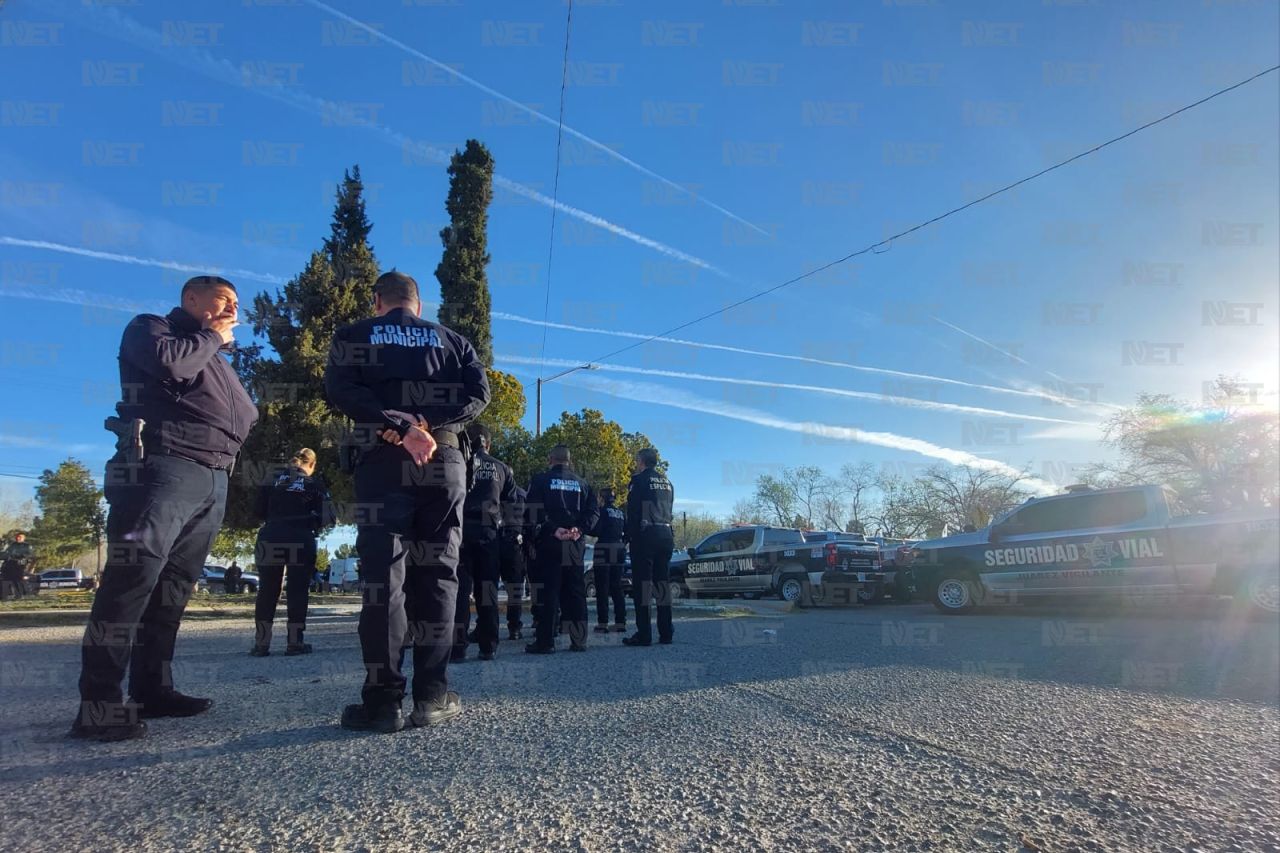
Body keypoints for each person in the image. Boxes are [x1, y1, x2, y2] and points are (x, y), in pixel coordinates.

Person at [73, 275, 258, 742]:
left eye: (237, 302)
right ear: (191, 299)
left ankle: (153, 688)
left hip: (212, 477)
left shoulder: (212, 353)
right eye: (224, 299)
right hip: (161, 465)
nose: (234, 309)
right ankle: (98, 703)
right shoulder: (154, 329)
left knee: (173, 589)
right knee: (131, 582)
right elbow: (170, 366)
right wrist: (213, 336)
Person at [324, 270, 489, 733]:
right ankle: (432, 696)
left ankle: (382, 703)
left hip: (383, 458)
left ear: (378, 300)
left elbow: (340, 390)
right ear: (419, 304)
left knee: (384, 580)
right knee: (440, 576)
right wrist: (426, 422)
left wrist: (397, 423)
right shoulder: (453, 340)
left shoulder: (354, 334)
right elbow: (480, 395)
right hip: (444, 459)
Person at [250, 448, 331, 657]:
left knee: (267, 589)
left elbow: (257, 511)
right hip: (300, 537)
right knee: (297, 590)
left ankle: (261, 644)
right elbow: (327, 517)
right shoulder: (315, 484)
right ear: (311, 465)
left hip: (271, 535)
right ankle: (295, 642)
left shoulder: (272, 479)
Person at [523, 445, 598, 655]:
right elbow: (593, 512)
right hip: (575, 542)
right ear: (569, 460)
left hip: (550, 541)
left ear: (550, 459)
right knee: (575, 591)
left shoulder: (540, 480)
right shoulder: (583, 484)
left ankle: (545, 642)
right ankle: (579, 640)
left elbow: (532, 510)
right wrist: (580, 528)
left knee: (549, 592)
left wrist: (552, 529)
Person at [453, 424, 517, 662]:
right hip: (489, 534)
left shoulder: (457, 463)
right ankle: (488, 646)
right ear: (489, 444)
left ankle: (457, 648)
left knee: (459, 592)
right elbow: (513, 505)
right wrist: (510, 533)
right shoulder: (502, 468)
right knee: (487, 591)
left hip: (460, 532)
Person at [624, 448, 675, 647]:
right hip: (666, 534)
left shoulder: (638, 481)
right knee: (662, 585)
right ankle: (666, 632)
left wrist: (629, 537)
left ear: (641, 461)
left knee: (643, 587)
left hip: (646, 536)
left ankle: (644, 634)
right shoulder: (668, 483)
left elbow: (634, 512)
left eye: (637, 460)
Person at [590, 488, 627, 634]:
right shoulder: (621, 513)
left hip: (604, 548)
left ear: (602, 498)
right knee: (617, 587)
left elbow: (595, 529)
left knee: (602, 587)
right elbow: (628, 532)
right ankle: (620, 622)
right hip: (619, 548)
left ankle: (603, 623)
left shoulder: (601, 511)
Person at [499, 485, 528, 640]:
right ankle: (514, 628)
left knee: (487, 585)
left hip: (495, 540)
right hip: (515, 543)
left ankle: (484, 628)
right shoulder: (522, 494)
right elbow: (530, 520)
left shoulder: (494, 489)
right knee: (515, 589)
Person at [1, 532, 33, 600]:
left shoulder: (26, 546)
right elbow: (7, 552)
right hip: (11, 564)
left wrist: (20, 556)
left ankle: (21, 594)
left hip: (20, 564)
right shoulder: (13, 545)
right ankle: (7, 595)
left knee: (18, 580)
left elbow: (29, 555)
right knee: (10, 580)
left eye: (20, 537)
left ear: (24, 538)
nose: (18, 538)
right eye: (17, 537)